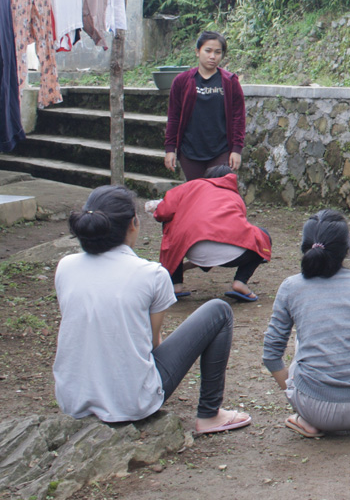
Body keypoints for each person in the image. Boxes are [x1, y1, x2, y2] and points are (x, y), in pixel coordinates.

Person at [52, 185, 250, 434]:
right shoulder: (151, 274)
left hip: (72, 401)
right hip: (133, 403)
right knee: (219, 311)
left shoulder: (65, 267)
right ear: (133, 224)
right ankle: (210, 414)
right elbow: (152, 342)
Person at [263, 210, 350, 437]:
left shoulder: (290, 287)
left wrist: (297, 396)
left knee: (303, 343)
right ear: (347, 249)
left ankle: (307, 421)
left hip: (313, 408)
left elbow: (271, 355)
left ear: (304, 247)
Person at [152, 165, 272, 303]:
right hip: (232, 255)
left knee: (172, 224)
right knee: (262, 236)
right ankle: (240, 282)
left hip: (190, 248)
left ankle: (175, 283)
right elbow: (236, 233)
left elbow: (163, 212)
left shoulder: (193, 186)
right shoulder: (236, 197)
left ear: (207, 177)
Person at [164, 31, 245, 181]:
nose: (212, 56)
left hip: (221, 150)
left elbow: (238, 118)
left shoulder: (230, 82)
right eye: (208, 51)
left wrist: (236, 150)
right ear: (197, 51)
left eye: (218, 52)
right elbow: (174, 117)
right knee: (197, 192)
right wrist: (170, 149)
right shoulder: (182, 81)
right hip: (189, 151)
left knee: (217, 191)